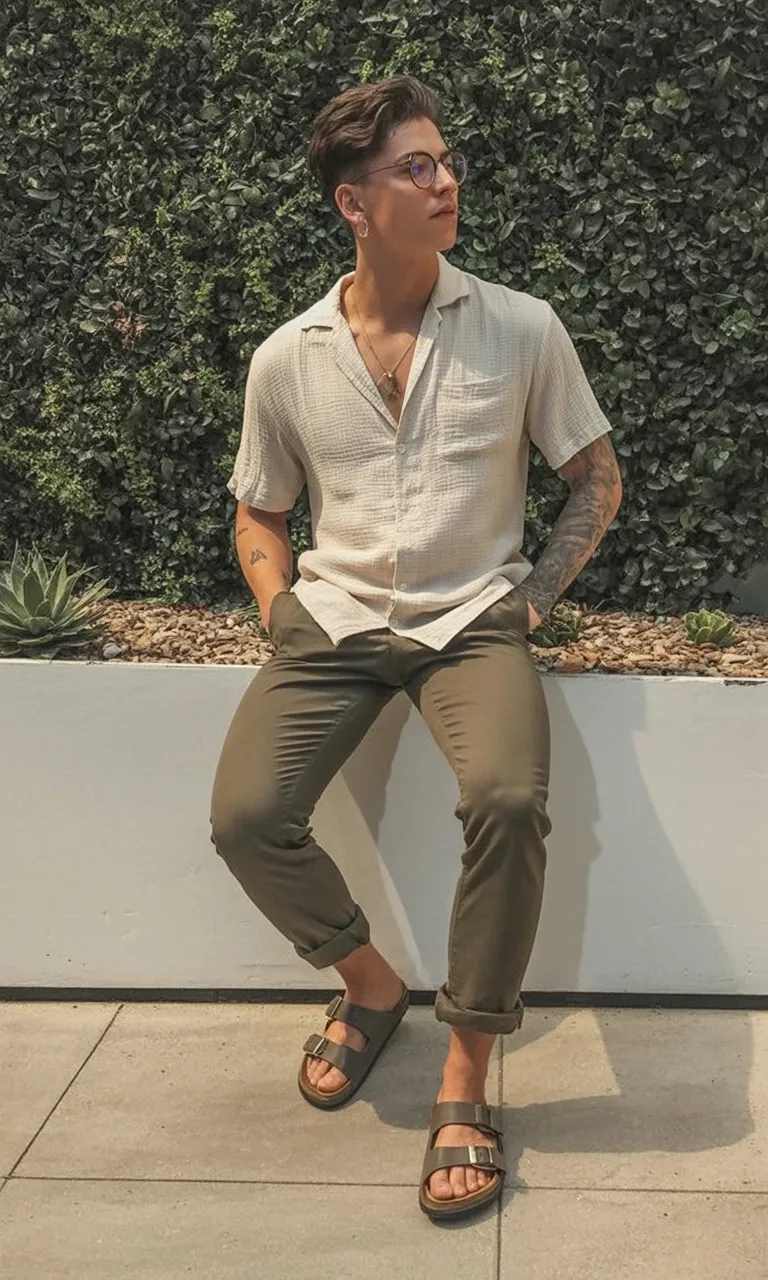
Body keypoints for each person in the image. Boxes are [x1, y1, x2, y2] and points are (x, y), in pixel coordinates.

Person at [209, 74, 623, 1222]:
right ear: (355, 202)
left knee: (507, 799)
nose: (446, 182)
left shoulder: (521, 328)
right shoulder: (288, 356)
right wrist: (277, 606)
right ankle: (370, 981)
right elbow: (259, 508)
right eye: (416, 168)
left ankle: (466, 1068)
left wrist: (532, 600)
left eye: (446, 162)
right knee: (245, 815)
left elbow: (595, 478)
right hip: (335, 617)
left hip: (472, 616)